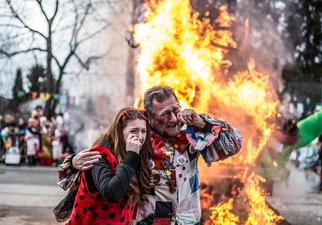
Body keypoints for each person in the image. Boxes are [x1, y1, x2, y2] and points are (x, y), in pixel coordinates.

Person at [58, 86, 242, 225]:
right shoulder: (138, 137)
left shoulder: (190, 132)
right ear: (151, 118)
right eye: (165, 114)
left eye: (175, 110)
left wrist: (202, 124)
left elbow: (233, 144)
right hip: (147, 219)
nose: (173, 119)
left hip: (188, 219)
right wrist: (74, 162)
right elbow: (102, 154)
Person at [67, 108, 151, 225]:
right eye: (134, 131)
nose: (140, 136)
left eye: (143, 131)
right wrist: (131, 156)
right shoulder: (99, 155)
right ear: (119, 131)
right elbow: (112, 193)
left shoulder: (134, 153)